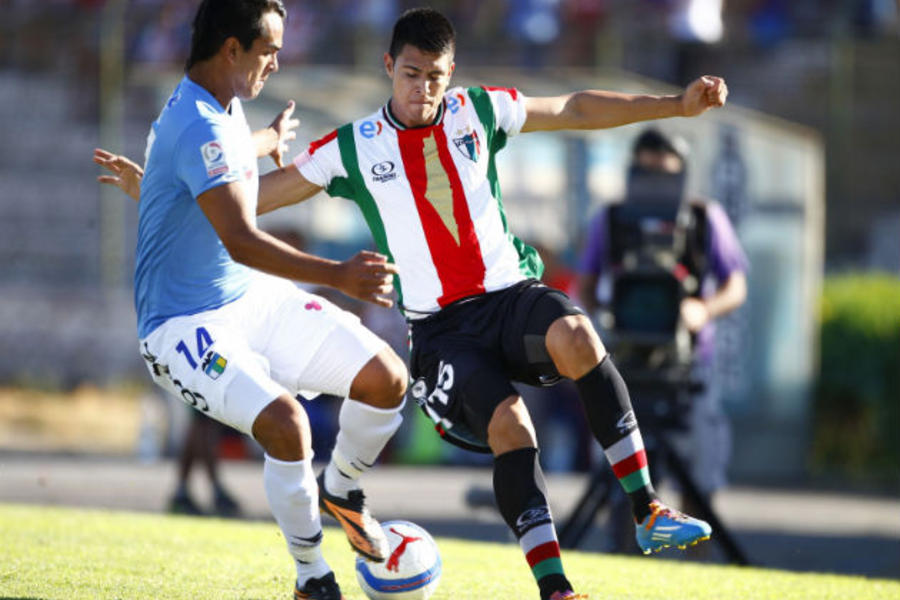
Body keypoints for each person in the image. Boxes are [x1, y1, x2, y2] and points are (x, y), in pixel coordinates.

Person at [99, 8, 729, 599]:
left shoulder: (479, 111)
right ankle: (556, 589)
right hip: (442, 333)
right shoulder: (353, 145)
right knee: (515, 428)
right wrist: (159, 188)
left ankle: (647, 509)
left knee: (582, 340)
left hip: (511, 294)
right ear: (388, 68)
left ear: (450, 74)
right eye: (410, 74)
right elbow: (251, 203)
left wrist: (674, 104)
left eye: (434, 76)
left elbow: (572, 106)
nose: (422, 89)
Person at [95, 2, 409, 599]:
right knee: (287, 424)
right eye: (268, 50)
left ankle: (341, 490)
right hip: (180, 328)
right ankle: (312, 576)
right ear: (231, 49)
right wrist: (337, 276)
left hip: (249, 300)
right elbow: (239, 238)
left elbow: (218, 163)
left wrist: (264, 139)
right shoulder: (201, 125)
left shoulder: (220, 102)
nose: (278, 61)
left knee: (387, 380)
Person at [578, 128, 748, 556]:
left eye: (664, 169)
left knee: (699, 480)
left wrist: (701, 310)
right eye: (645, 168)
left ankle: (693, 568)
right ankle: (624, 561)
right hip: (625, 363)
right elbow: (586, 281)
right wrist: (601, 322)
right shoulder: (611, 217)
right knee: (624, 479)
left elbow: (735, 285)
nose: (654, 177)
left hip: (689, 367)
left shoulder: (705, 217)